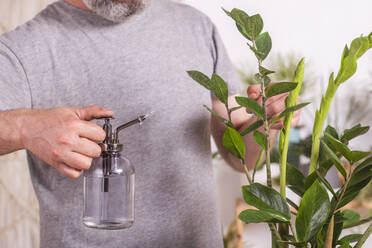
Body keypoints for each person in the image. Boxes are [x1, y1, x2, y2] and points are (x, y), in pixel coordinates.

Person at [0, 0, 300, 247]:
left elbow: (239, 158)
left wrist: (265, 125)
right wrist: (26, 127)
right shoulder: (23, 49)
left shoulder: (195, 27)